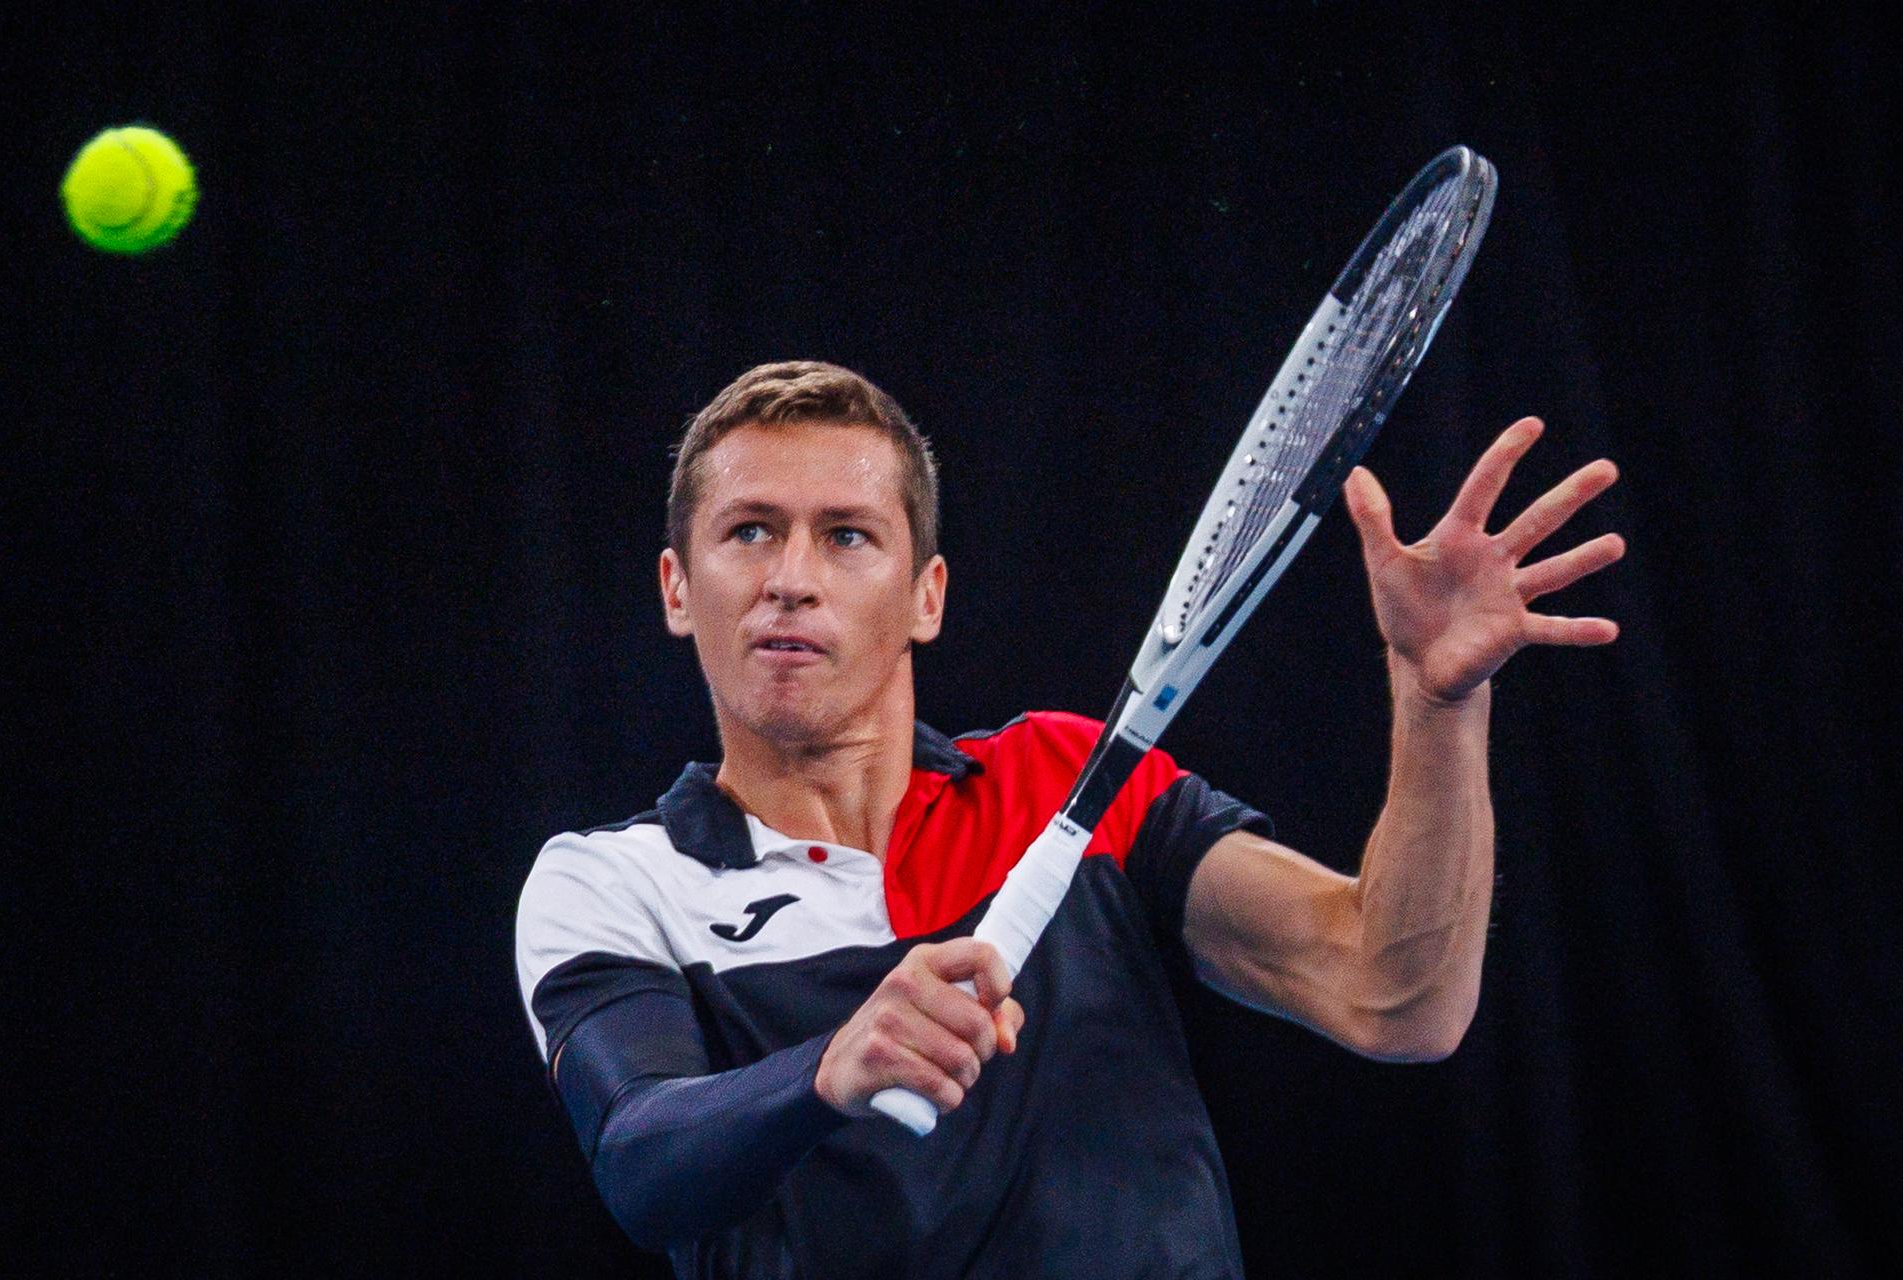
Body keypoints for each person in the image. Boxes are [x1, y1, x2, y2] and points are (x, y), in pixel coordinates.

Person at [514, 361, 1624, 1278]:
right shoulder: (615, 880)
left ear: (927, 594)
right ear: (675, 586)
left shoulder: (1063, 777)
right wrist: (828, 1066)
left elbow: (1397, 994)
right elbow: (640, 1158)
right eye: (749, 530)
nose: (791, 578)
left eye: (847, 535)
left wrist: (1439, 704)